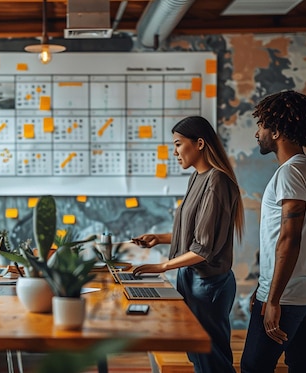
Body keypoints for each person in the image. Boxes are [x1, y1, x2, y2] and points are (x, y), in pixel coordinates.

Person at [132, 116, 244, 373]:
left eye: (179, 144)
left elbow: (203, 249)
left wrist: (163, 266)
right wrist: (158, 238)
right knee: (198, 359)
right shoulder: (197, 177)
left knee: (212, 361)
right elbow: (194, 233)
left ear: (200, 143)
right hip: (191, 279)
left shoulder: (218, 181)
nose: (174, 152)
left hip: (208, 285)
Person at [240, 91, 306, 372]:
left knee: (254, 367)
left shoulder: (290, 173)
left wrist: (273, 299)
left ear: (276, 131)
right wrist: (261, 286)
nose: (258, 134)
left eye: (262, 126)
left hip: (286, 298)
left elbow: (289, 240)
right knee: (304, 366)